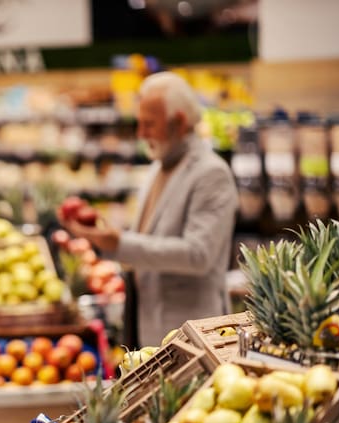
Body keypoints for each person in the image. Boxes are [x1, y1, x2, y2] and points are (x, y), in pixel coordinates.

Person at [58, 71, 238, 348]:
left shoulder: (211, 173)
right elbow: (150, 239)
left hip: (194, 338)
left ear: (178, 122)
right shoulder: (158, 167)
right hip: (151, 330)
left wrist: (120, 243)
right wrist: (105, 236)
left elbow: (199, 255)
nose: (140, 134)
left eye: (149, 124)